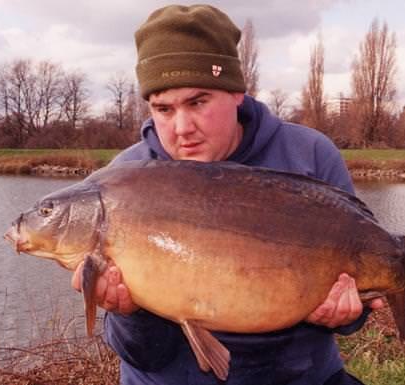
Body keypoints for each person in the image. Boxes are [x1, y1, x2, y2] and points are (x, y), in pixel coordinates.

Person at [72, 4, 383, 385]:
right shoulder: (121, 184)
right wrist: (129, 312)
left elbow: (357, 312)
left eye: (197, 102)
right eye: (163, 109)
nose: (181, 128)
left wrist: (349, 313)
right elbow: (144, 355)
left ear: (236, 92)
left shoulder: (309, 155)